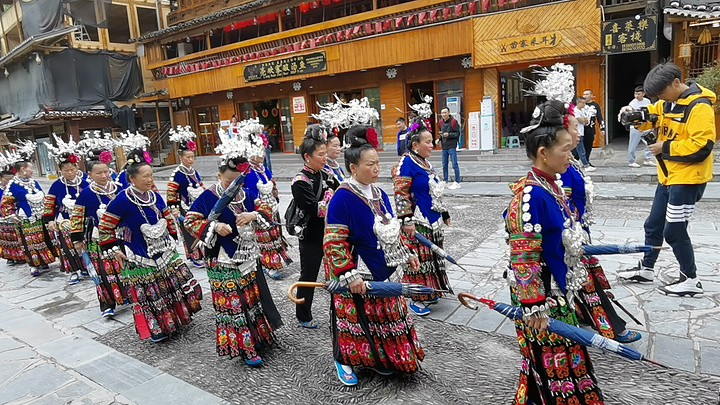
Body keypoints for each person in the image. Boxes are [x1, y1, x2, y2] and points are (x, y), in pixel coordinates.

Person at [505, 100, 604, 404]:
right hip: (542, 296)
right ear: (543, 153)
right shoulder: (529, 194)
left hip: (560, 289)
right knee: (553, 360)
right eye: (564, 149)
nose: (570, 154)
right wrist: (534, 304)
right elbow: (523, 255)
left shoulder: (553, 185)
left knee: (563, 357)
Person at [324, 125, 424, 386]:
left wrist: (406, 253)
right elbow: (334, 242)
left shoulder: (379, 194)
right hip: (356, 272)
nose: (377, 169)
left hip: (383, 267)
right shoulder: (342, 198)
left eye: (378, 163)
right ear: (353, 168)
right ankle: (343, 359)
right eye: (370, 165)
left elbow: (391, 228)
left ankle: (381, 359)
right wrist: (348, 273)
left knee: (383, 318)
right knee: (353, 322)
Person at [617, 62, 715, 297]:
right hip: (668, 176)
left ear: (676, 83)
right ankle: (647, 268)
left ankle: (691, 279)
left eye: (661, 93)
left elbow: (702, 146)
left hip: (688, 179)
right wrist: (632, 117)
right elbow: (651, 119)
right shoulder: (665, 103)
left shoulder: (699, 106)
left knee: (674, 230)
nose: (659, 99)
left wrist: (665, 147)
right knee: (653, 225)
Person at [185, 131, 282, 367]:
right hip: (222, 260)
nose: (233, 184)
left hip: (247, 256)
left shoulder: (247, 194)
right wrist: (214, 226)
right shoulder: (208, 197)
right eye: (228, 180)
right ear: (219, 176)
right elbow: (189, 220)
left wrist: (253, 214)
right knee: (233, 303)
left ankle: (259, 336)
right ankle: (244, 347)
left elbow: (267, 212)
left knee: (251, 299)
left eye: (237, 179)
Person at [98, 148, 202, 342]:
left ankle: (177, 318)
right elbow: (105, 227)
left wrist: (172, 234)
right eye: (145, 176)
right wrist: (113, 250)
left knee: (171, 286)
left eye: (151, 175)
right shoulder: (121, 200)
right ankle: (158, 328)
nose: (149, 179)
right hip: (139, 254)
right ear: (132, 179)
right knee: (149, 293)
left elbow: (165, 215)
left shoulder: (154, 195)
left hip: (163, 250)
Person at [563, 110, 641, 343]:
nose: (579, 133)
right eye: (574, 128)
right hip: (569, 238)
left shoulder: (572, 160)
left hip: (579, 232)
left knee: (581, 280)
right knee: (588, 282)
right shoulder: (561, 167)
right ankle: (612, 327)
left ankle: (582, 313)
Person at [393, 118, 452, 316]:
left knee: (432, 258)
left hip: (432, 219)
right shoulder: (406, 163)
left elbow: (434, 191)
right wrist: (406, 220)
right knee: (418, 261)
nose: (432, 145)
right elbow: (401, 193)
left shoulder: (424, 162)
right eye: (427, 142)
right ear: (415, 144)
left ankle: (430, 291)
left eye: (432, 141)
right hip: (417, 221)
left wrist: (444, 212)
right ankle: (415, 297)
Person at [71, 138, 130, 318]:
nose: (104, 176)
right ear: (89, 174)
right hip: (98, 239)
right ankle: (107, 304)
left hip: (122, 236)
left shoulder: (120, 188)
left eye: (106, 171)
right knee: (103, 272)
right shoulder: (86, 194)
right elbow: (77, 218)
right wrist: (77, 240)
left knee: (124, 267)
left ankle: (128, 295)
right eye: (99, 173)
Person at [291, 124, 340, 328]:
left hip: (329, 233)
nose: (324, 158)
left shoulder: (324, 174)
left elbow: (340, 191)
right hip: (311, 235)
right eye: (320, 154)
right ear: (307, 157)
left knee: (335, 273)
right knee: (308, 275)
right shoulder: (299, 181)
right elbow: (313, 208)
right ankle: (303, 314)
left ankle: (339, 312)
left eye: (324, 153)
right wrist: (330, 199)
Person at [242, 119, 292, 280]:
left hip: (271, 209)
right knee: (264, 239)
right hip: (259, 211)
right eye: (258, 151)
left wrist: (275, 199)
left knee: (274, 236)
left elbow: (272, 184)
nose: (262, 155)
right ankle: (266, 264)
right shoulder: (248, 172)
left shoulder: (263, 169)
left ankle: (273, 262)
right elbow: (248, 194)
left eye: (263, 150)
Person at [1, 143, 56, 277]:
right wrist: (11, 214)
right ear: (22, 169)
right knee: (30, 242)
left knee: (44, 239)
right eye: (30, 168)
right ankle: (33, 265)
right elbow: (5, 202)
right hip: (27, 218)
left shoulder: (33, 182)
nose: (32, 170)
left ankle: (44, 260)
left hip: (40, 216)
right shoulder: (13, 185)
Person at [43, 136, 89, 284]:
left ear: (77, 167)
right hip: (66, 221)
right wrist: (50, 219)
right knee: (68, 247)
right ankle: (74, 271)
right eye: (66, 170)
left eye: (72, 169)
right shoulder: (56, 185)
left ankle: (86, 267)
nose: (70, 173)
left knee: (86, 244)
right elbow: (49, 203)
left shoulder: (86, 181)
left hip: (84, 220)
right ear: (60, 170)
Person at [166, 126, 204, 266]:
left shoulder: (193, 171)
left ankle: (203, 253)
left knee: (199, 228)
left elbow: (201, 185)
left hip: (197, 205)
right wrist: (174, 209)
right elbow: (171, 193)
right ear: (180, 157)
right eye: (187, 157)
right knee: (189, 231)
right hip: (183, 206)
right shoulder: (176, 174)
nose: (190, 159)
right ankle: (194, 256)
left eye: (192, 157)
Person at [0, 154, 24, 266]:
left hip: (16, 215)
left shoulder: (14, 187)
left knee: (17, 237)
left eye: (11, 179)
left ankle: (20, 256)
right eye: (6, 179)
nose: (8, 182)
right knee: (6, 239)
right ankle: (9, 257)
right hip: (2, 218)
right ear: (1, 178)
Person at [623, 86, 656, 168]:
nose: (636, 95)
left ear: (643, 94)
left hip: (646, 126)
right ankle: (631, 161)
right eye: (635, 94)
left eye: (638, 94)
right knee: (633, 145)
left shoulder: (647, 101)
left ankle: (647, 159)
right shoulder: (632, 103)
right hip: (635, 127)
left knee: (650, 142)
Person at [438, 107, 461, 189]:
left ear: (449, 112)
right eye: (442, 113)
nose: (444, 114)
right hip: (444, 146)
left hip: (452, 146)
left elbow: (457, 133)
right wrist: (439, 139)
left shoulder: (454, 122)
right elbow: (440, 132)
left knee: (454, 164)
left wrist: (449, 135)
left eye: (445, 112)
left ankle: (457, 181)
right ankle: (445, 180)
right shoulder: (440, 122)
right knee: (444, 165)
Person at [581, 89, 605, 166]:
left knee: (588, 146)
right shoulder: (580, 104)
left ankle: (586, 161)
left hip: (590, 128)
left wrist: (602, 128)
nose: (585, 96)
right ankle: (578, 160)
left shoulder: (595, 106)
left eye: (587, 94)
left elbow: (600, 117)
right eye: (584, 94)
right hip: (581, 128)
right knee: (579, 145)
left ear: (591, 95)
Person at [573, 97, 595, 172]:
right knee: (581, 150)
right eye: (583, 103)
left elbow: (586, 120)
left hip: (581, 132)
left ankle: (572, 163)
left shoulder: (581, 111)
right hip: (577, 133)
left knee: (574, 151)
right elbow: (582, 120)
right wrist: (583, 119)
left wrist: (584, 120)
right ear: (578, 103)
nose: (584, 105)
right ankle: (585, 165)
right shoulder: (575, 111)